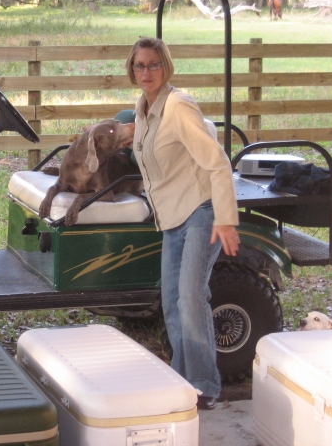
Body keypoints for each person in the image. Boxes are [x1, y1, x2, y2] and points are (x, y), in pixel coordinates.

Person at [126, 37, 241, 410]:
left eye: (154, 65)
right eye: (140, 65)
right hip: (171, 216)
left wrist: (225, 219)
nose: (146, 72)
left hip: (201, 210)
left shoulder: (178, 107)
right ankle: (181, 380)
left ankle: (205, 385)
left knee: (191, 297)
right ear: (132, 69)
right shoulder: (143, 109)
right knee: (172, 303)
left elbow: (217, 161)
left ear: (166, 67)